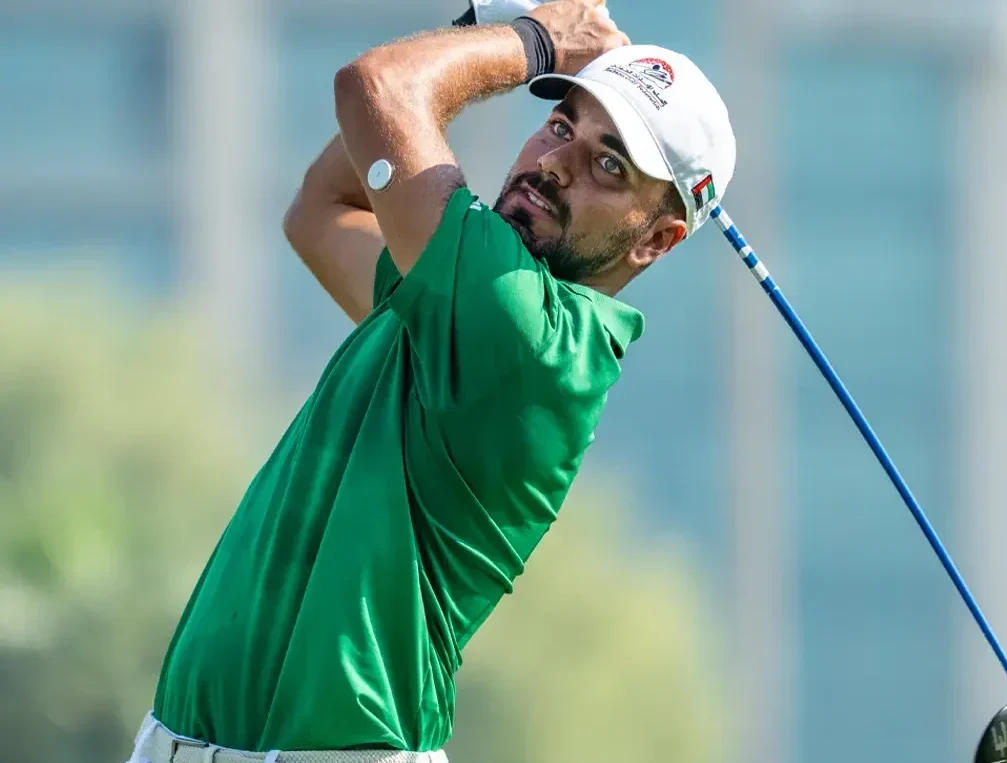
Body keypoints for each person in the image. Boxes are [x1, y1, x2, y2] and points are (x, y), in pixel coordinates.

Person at [128, 1, 736, 761]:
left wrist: (537, 40)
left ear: (656, 239)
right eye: (560, 126)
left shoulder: (527, 336)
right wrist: (489, 39)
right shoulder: (462, 302)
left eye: (609, 166)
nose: (556, 165)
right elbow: (322, 210)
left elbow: (377, 88)